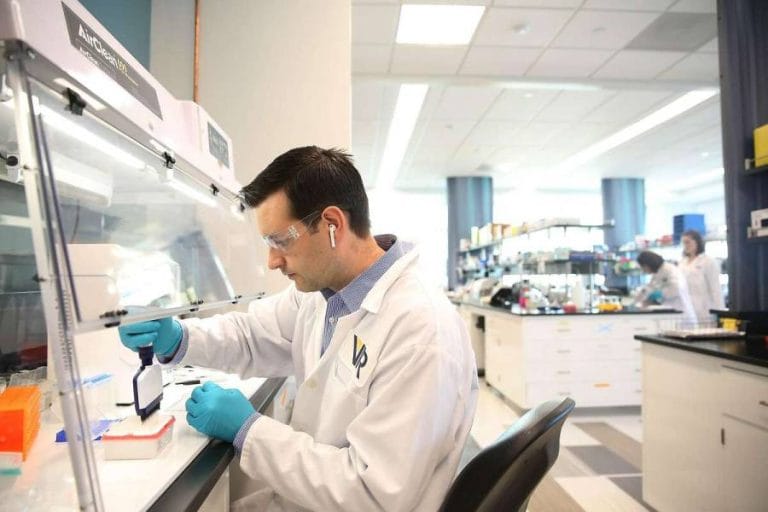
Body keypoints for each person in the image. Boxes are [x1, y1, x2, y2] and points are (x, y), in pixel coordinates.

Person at [118, 146, 479, 512]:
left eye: (281, 241)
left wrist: (249, 430)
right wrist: (179, 338)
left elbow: (374, 494)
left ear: (332, 224)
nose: (272, 261)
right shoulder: (323, 295)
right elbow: (251, 335)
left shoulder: (421, 330)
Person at [635, 250, 697, 325]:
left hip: (681, 311)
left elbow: (676, 289)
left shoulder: (670, 270)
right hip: (671, 313)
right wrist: (638, 300)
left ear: (648, 264)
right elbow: (649, 289)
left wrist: (660, 294)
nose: (643, 270)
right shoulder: (657, 273)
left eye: (643, 267)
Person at [679, 230, 724, 323]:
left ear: (697, 242)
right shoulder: (682, 263)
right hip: (687, 309)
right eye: (683, 243)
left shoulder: (708, 261)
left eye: (688, 242)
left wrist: (720, 313)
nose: (685, 246)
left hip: (705, 309)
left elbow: (715, 289)